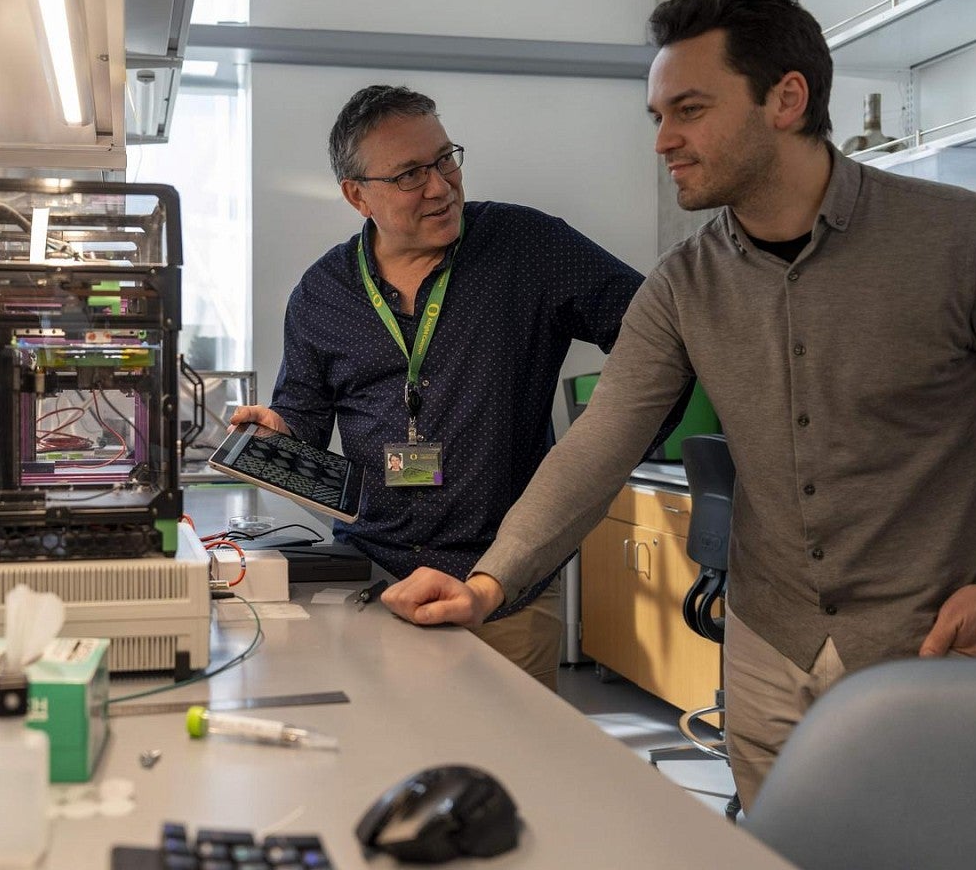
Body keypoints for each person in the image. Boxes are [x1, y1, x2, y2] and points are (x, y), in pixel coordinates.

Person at [381, 0, 976, 809]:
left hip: (936, 648)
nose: (663, 139)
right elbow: (597, 446)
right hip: (767, 648)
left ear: (786, 97)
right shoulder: (682, 285)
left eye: (690, 110)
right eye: (657, 116)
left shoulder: (959, 241)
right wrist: (486, 584)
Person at [232, 84, 660, 692]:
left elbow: (657, 335)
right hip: (373, 584)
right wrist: (281, 434)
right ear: (358, 196)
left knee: (514, 770)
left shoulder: (528, 247)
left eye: (444, 159)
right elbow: (302, 414)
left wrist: (603, 435)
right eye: (409, 175)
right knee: (390, 762)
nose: (440, 186)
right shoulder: (321, 293)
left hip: (503, 586)